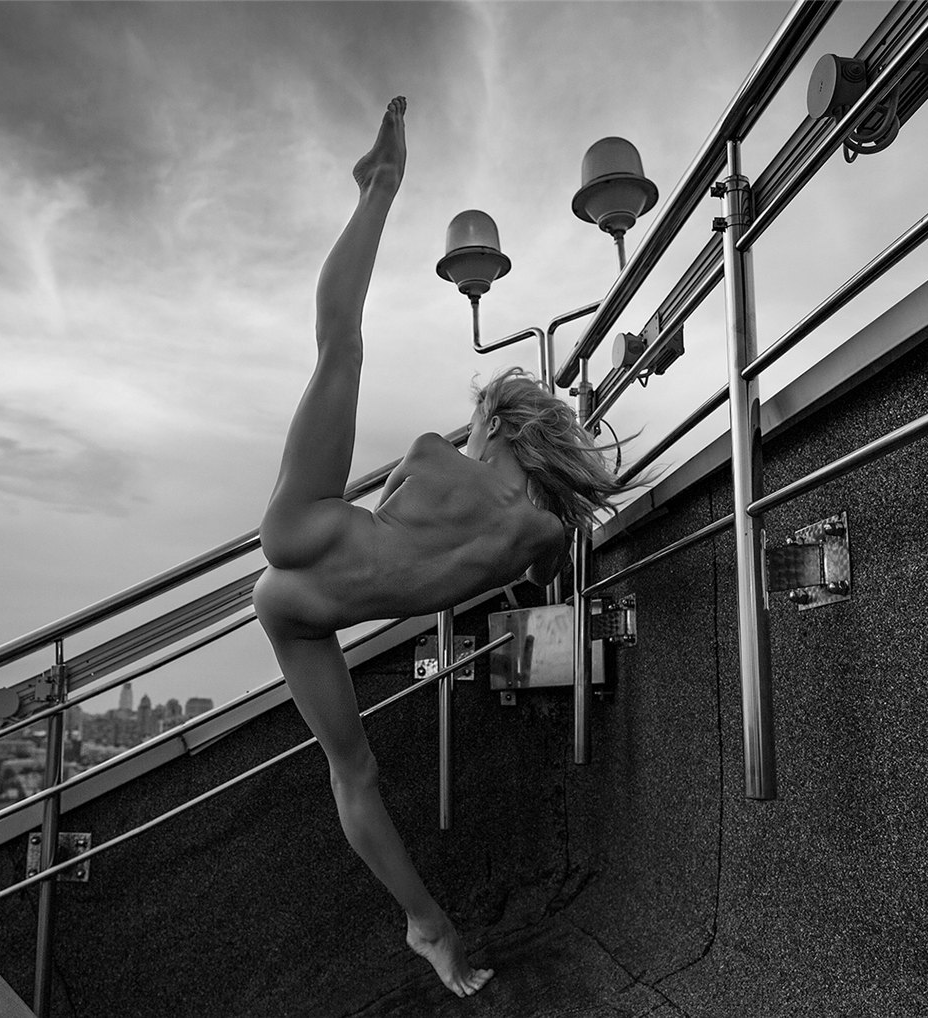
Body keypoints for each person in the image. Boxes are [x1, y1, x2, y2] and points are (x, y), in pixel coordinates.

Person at [252, 96, 640, 997]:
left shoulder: (434, 455)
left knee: (339, 348)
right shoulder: (542, 534)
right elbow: (541, 579)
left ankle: (378, 191)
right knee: (357, 773)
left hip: (304, 531)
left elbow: (407, 503)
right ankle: (428, 927)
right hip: (305, 614)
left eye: (477, 417)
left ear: (495, 421)